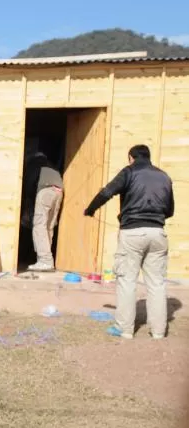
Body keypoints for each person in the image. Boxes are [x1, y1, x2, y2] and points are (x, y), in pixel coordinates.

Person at [84, 144, 174, 339]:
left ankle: (124, 329)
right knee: (157, 283)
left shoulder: (129, 172)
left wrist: (90, 209)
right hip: (158, 233)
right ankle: (158, 332)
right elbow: (170, 211)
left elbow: (107, 192)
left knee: (127, 281)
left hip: (132, 233)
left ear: (131, 157)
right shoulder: (164, 176)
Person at [28, 151, 64, 272]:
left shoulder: (35, 164)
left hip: (45, 191)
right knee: (49, 227)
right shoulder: (51, 164)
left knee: (39, 226)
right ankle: (48, 261)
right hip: (58, 192)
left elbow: (30, 183)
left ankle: (44, 260)